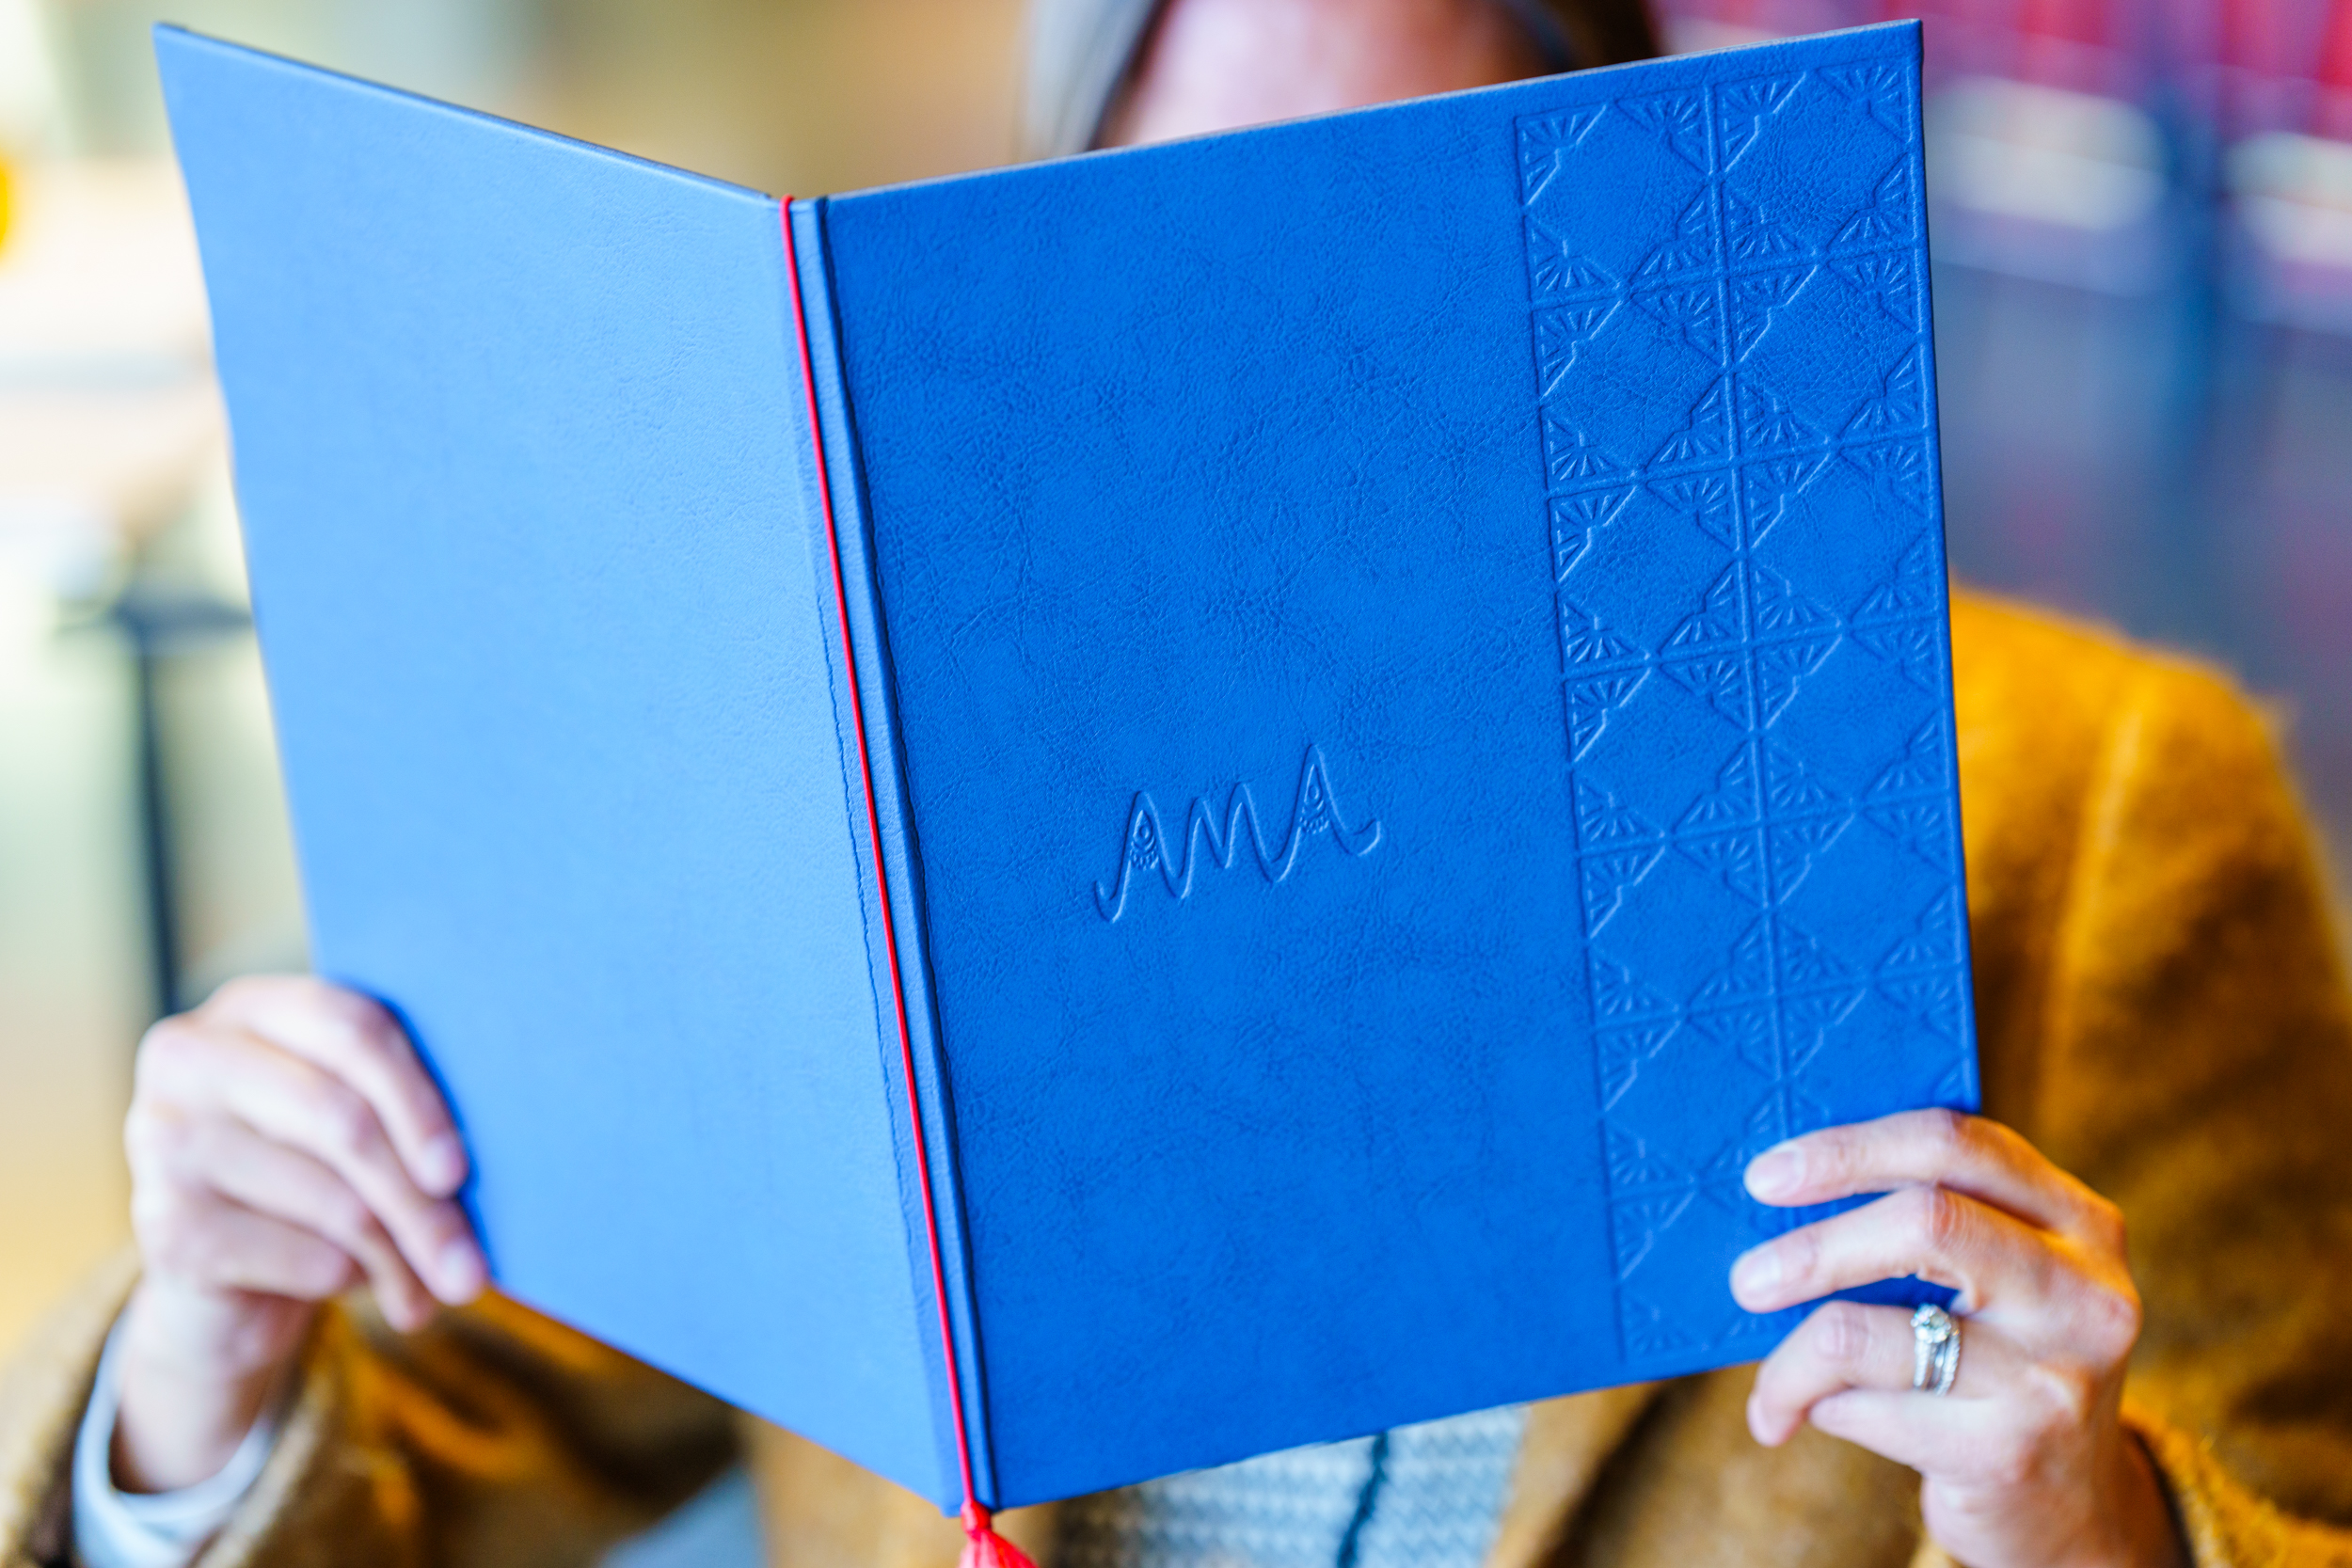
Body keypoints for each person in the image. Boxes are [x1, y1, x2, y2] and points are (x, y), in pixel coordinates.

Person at [7, 0, 2352, 1563]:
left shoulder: (2092, 810)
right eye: (1191, 278)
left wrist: (2087, 1528)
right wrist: (203, 1356)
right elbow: (428, 1471)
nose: (1292, 408)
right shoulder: (876, 821)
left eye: (1380, 261)